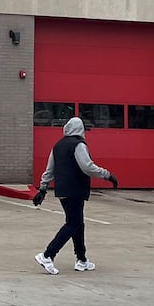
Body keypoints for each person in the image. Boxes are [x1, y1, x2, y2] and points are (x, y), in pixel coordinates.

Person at [32, 115, 117, 274]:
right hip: (75, 189)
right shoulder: (78, 145)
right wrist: (107, 175)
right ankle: (47, 255)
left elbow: (50, 169)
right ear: (80, 129)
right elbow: (87, 167)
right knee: (73, 223)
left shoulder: (57, 145)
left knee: (78, 223)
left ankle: (82, 260)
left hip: (63, 191)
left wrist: (43, 188)